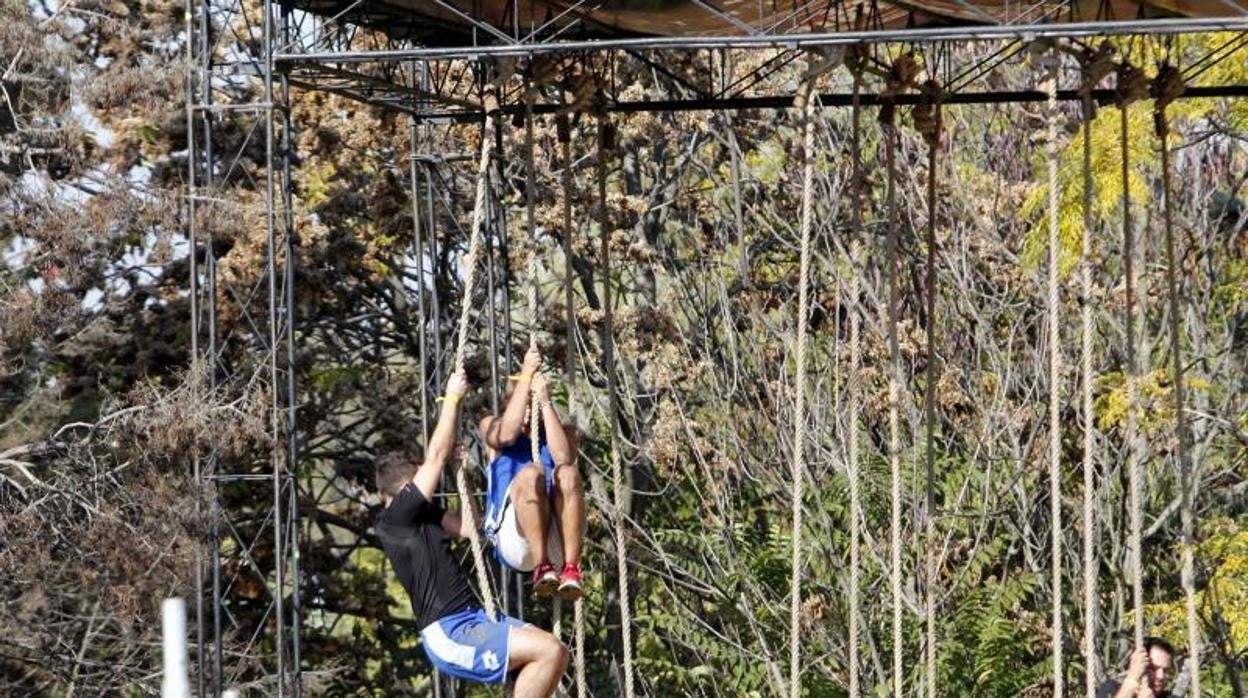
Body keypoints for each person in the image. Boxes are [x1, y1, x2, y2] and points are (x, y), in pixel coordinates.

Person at [374, 372, 568, 696]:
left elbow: (469, 528)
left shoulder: (422, 516)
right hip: (450, 631)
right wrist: (452, 399)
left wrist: (461, 474)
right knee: (548, 650)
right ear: (407, 486)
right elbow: (434, 457)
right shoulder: (395, 519)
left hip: (473, 621)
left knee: (556, 653)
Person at [479, 345, 586, 599]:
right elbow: (506, 435)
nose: (527, 411)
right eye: (522, 403)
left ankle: (571, 568)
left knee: (568, 473)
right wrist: (526, 374)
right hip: (515, 536)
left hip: (559, 535)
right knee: (531, 472)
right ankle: (541, 567)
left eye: (531, 404)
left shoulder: (564, 433)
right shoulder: (491, 426)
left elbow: (563, 457)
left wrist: (545, 401)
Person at [1096, 637, 1176, 698]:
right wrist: (1132, 678)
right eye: (1153, 668)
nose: (1161, 676)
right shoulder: (1111, 689)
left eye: (1165, 670)